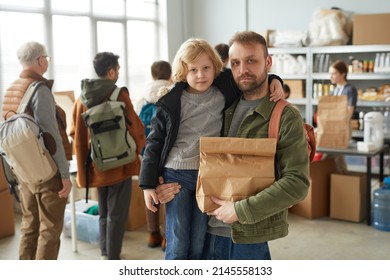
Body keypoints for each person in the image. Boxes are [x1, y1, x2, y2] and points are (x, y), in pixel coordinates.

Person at [139, 38, 284, 260]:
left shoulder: (223, 89)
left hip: (207, 176)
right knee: (178, 243)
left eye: (206, 68)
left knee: (198, 244)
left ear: (215, 67)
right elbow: (154, 143)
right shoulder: (170, 101)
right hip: (175, 176)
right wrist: (148, 184)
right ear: (182, 71)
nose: (201, 75)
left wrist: (275, 80)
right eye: (193, 70)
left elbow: (252, 79)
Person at [201, 31, 310, 260]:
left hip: (249, 237)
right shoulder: (221, 105)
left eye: (251, 60)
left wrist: (240, 210)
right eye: (236, 63)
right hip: (207, 231)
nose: (243, 70)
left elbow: (297, 183)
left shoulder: (285, 116)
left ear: (268, 62)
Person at [70, 52, 145, 260]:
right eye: (118, 70)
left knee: (103, 211)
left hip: (95, 164)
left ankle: (104, 252)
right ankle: (113, 257)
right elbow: (137, 128)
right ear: (111, 71)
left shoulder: (81, 98)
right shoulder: (118, 94)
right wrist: (140, 149)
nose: (118, 73)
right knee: (117, 214)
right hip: (120, 164)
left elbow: (73, 131)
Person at [1, 41, 73, 260]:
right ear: (40, 60)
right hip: (47, 172)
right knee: (49, 232)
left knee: (29, 228)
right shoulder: (39, 90)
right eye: (47, 59)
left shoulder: (11, 89)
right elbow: (51, 138)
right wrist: (64, 175)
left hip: (24, 172)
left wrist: (13, 173)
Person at [140, 60, 173, 250]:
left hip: (147, 153)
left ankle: (153, 234)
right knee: (168, 196)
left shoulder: (144, 95)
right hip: (167, 154)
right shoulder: (172, 91)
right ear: (170, 74)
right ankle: (166, 239)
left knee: (150, 193)